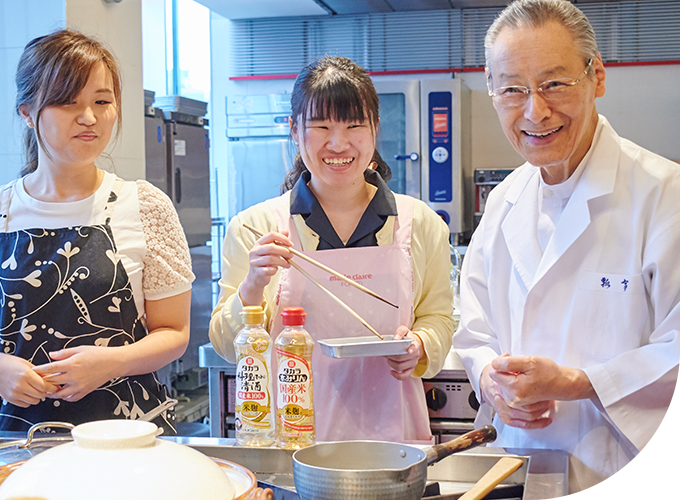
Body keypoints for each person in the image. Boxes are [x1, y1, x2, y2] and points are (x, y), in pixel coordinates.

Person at [453, 0, 680, 492]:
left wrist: (579, 384)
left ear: (597, 76)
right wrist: (490, 377)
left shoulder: (664, 195)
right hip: (515, 468)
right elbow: (473, 327)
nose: (536, 110)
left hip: (632, 477)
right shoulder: (504, 202)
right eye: (513, 89)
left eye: (554, 83)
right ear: (492, 93)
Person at [209, 55, 454, 444]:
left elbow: (439, 317)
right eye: (320, 126)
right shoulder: (255, 227)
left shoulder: (418, 222)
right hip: (290, 439)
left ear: (375, 128)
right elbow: (225, 345)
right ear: (294, 130)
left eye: (354, 125)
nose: (338, 143)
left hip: (393, 438)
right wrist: (253, 285)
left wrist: (421, 344)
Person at [0, 29, 194, 435]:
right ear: (26, 112)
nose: (89, 117)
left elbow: (174, 332)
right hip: (15, 442)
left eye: (102, 101)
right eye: (68, 103)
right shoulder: (3, 210)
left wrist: (112, 363)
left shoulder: (144, 205)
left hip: (129, 436)